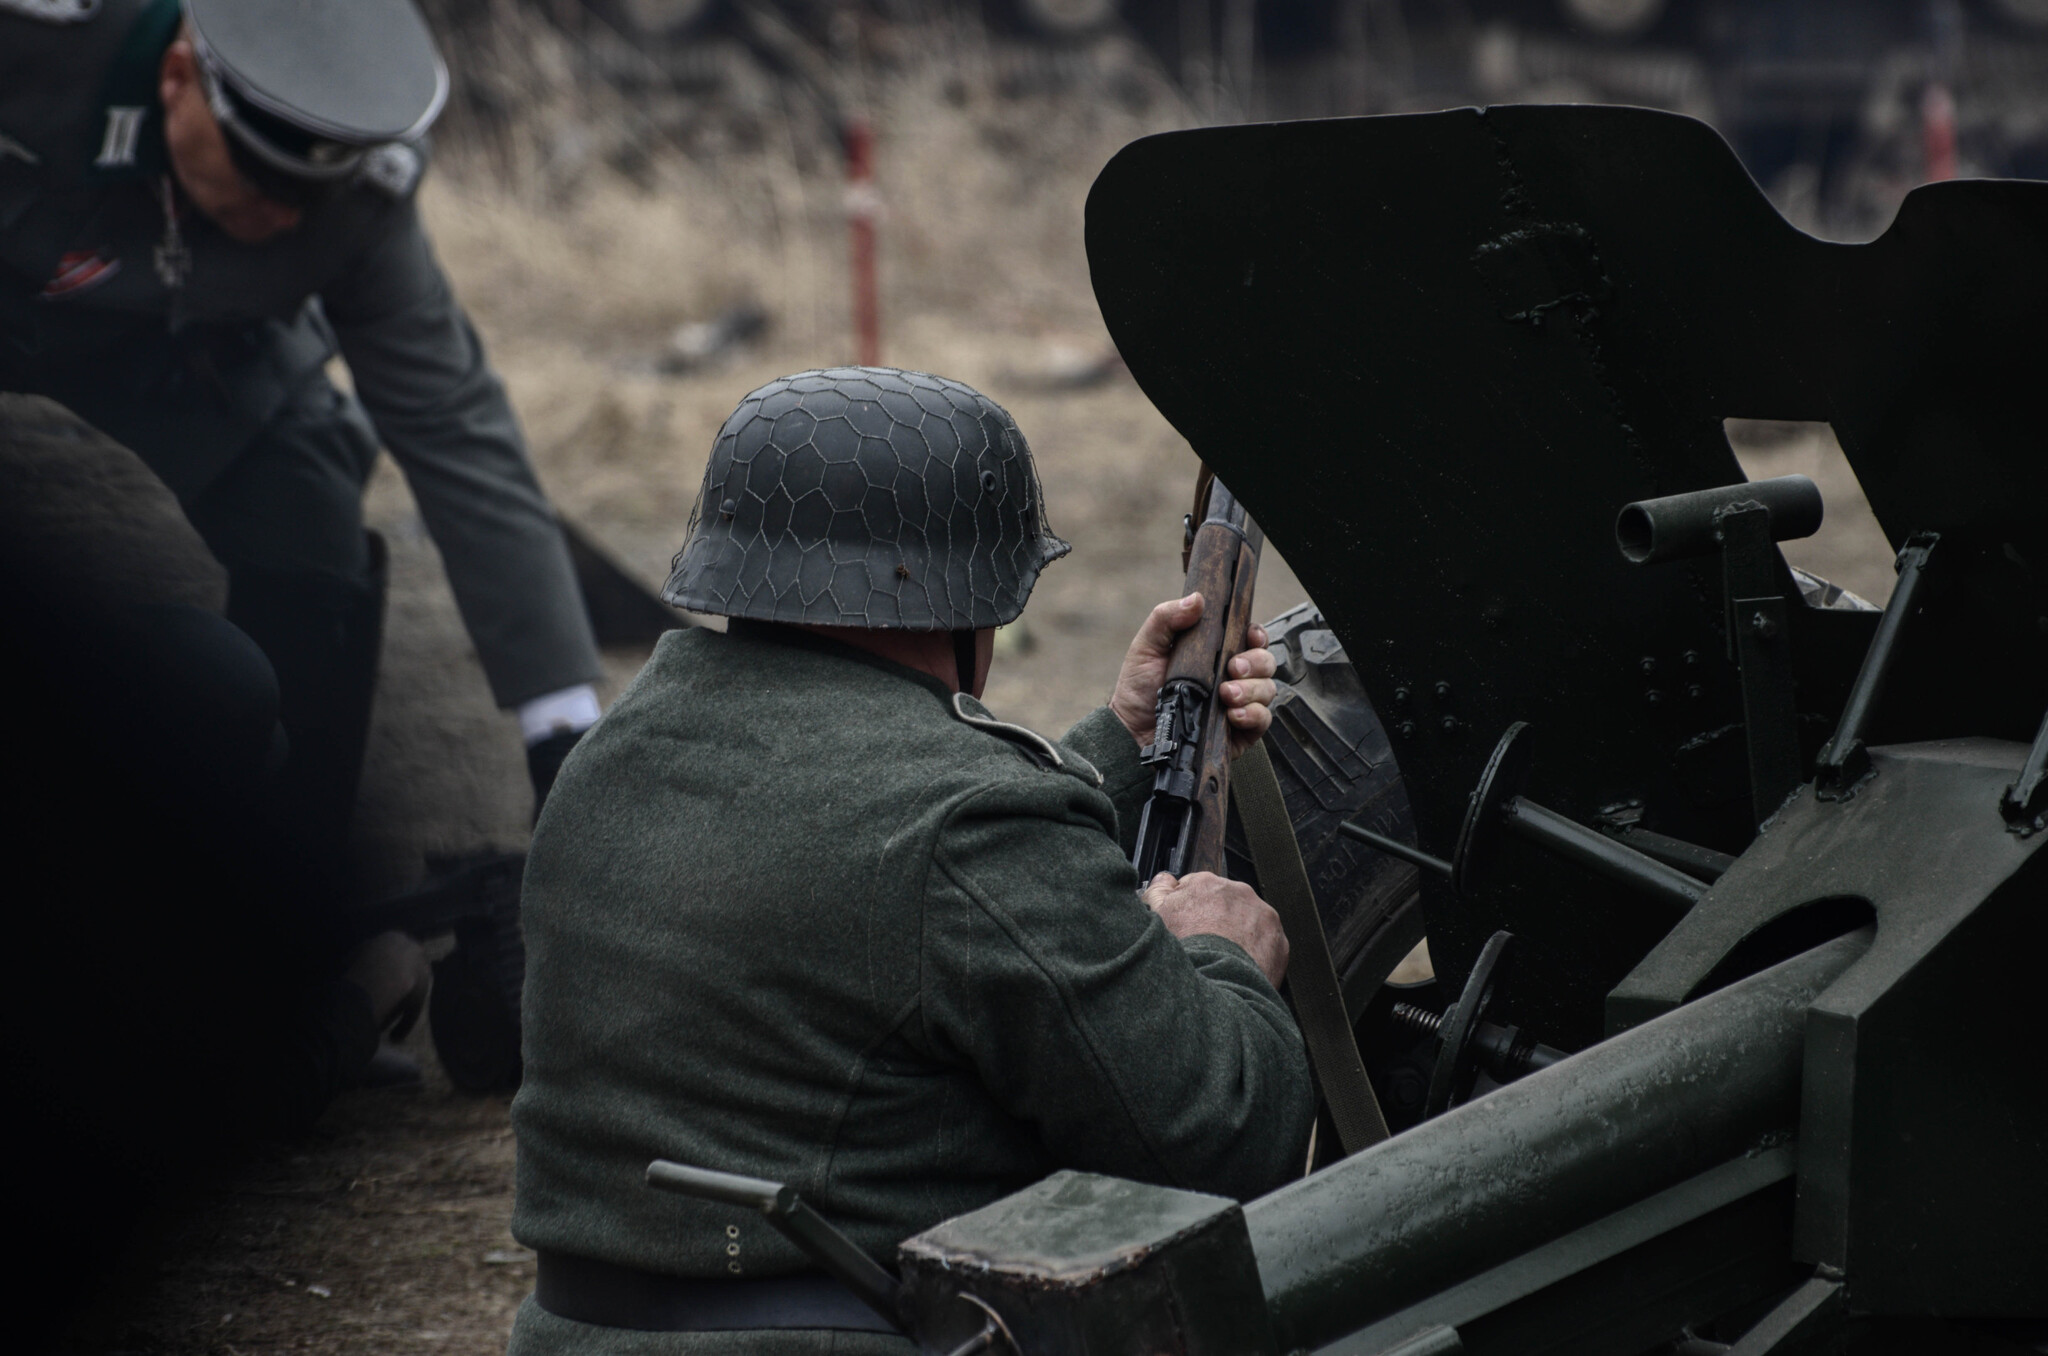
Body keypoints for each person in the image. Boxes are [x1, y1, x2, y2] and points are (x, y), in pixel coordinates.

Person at [507, 368, 1315, 1354]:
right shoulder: (970, 818)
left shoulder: (611, 759)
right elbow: (1223, 1144)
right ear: (975, 602)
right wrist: (1225, 960)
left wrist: (1122, 737)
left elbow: (874, 871)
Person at [0, 0, 605, 865]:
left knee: (309, 479)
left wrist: (562, 733)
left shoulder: (361, 188)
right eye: (261, 178)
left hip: (178, 346)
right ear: (177, 81)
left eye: (309, 194)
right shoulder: (40, 37)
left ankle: (285, 874)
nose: (287, 217)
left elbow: (452, 419)